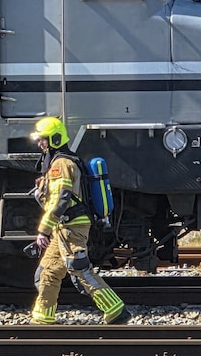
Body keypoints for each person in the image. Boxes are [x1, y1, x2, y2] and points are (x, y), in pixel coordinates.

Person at [29, 116, 130, 325]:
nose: (40, 144)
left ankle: (115, 309)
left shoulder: (61, 164)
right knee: (47, 270)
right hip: (63, 226)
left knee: (79, 268)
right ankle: (42, 319)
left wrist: (42, 231)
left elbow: (61, 199)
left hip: (70, 226)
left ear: (55, 139)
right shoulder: (59, 162)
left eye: (44, 139)